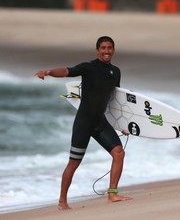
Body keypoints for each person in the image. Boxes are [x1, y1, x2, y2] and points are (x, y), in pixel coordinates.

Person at [35, 36, 132, 210]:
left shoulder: (115, 72)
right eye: (103, 48)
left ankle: (112, 194)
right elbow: (66, 71)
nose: (106, 51)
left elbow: (115, 100)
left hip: (100, 121)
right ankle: (62, 201)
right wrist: (48, 72)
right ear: (97, 50)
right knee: (74, 163)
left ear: (113, 50)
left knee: (119, 153)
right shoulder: (88, 67)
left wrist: (120, 125)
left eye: (109, 48)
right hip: (84, 121)